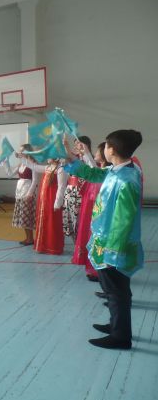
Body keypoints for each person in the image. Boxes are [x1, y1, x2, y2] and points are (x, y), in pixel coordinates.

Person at [64, 130, 143, 350]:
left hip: (113, 247)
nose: (104, 149)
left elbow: (123, 221)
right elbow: (92, 174)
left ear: (112, 150)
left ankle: (121, 337)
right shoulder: (117, 171)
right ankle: (117, 326)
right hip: (107, 243)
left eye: (106, 145)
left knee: (116, 292)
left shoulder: (126, 180)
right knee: (117, 291)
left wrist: (112, 253)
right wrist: (69, 158)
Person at [72, 142, 111, 281]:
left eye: (99, 151)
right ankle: (93, 269)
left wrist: (86, 152)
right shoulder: (101, 170)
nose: (96, 153)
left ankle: (99, 271)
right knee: (91, 239)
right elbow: (89, 166)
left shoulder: (106, 172)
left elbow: (91, 167)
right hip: (91, 210)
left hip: (99, 213)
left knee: (98, 241)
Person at [26, 158, 67, 255]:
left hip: (52, 201)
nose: (47, 158)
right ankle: (43, 246)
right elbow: (34, 167)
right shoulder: (48, 168)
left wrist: (57, 203)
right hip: (44, 201)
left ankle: (53, 247)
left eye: (49, 156)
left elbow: (61, 187)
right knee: (44, 222)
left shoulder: (60, 169)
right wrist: (23, 158)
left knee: (52, 223)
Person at [2, 145, 39, 245]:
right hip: (20, 192)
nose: (19, 152)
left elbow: (35, 180)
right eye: (20, 150)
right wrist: (5, 162)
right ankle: (28, 238)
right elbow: (9, 174)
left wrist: (30, 193)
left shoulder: (33, 163)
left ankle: (30, 238)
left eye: (22, 150)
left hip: (27, 192)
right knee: (23, 217)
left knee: (27, 216)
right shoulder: (21, 164)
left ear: (28, 152)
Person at [62, 135, 92, 238]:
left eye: (77, 143)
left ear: (85, 145)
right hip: (70, 191)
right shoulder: (75, 158)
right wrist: (65, 146)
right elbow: (69, 156)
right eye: (74, 144)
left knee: (80, 219)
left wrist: (67, 146)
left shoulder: (89, 159)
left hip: (82, 192)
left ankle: (82, 243)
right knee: (70, 218)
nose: (75, 146)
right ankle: (76, 244)